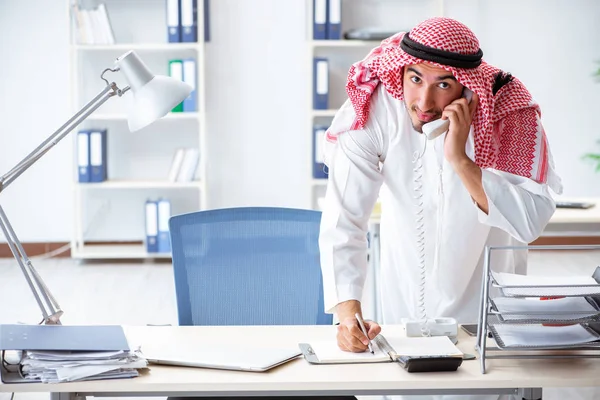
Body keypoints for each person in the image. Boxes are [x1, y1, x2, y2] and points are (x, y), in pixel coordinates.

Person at [318, 17, 575, 400]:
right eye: (415, 79)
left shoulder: (507, 113)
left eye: (443, 84)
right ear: (400, 72)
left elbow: (530, 222)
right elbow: (344, 219)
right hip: (399, 314)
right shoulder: (377, 107)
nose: (424, 102)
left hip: (485, 327)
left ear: (467, 87)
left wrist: (461, 161)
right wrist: (346, 316)